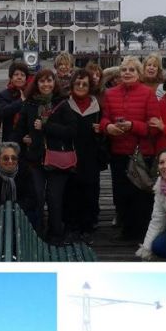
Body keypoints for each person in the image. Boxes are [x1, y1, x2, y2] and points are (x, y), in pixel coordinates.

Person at [12, 68, 78, 245]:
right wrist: (24, 138)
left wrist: (47, 127)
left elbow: (72, 131)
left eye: (49, 81)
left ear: (54, 83)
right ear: (37, 84)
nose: (46, 84)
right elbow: (17, 131)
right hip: (34, 159)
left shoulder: (62, 104)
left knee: (54, 198)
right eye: (42, 81)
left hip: (57, 158)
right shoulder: (29, 105)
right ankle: (36, 232)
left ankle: (56, 234)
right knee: (37, 197)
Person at [100, 56, 160, 241]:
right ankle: (125, 229)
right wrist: (108, 127)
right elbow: (104, 119)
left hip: (141, 152)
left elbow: (153, 127)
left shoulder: (148, 93)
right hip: (118, 152)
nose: (127, 73)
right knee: (120, 193)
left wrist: (133, 126)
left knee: (141, 194)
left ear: (139, 73)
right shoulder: (110, 94)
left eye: (131, 70)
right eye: (124, 70)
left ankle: (141, 232)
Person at [64, 69, 105, 244]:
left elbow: (105, 128)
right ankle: (72, 227)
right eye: (78, 83)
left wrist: (100, 130)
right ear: (72, 85)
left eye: (85, 84)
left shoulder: (97, 106)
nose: (81, 87)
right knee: (71, 191)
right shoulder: (64, 104)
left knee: (90, 192)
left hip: (90, 155)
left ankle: (88, 227)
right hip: (70, 154)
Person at [0, 61, 30, 142]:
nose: (19, 77)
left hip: (27, 140)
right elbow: (2, 112)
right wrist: (20, 101)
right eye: (16, 74)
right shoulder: (3, 95)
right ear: (11, 77)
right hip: (10, 140)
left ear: (26, 78)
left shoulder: (30, 94)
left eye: (22, 75)